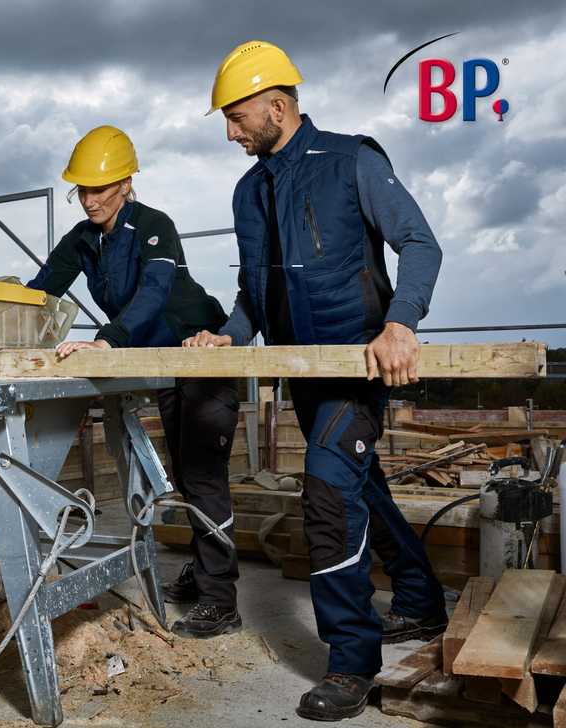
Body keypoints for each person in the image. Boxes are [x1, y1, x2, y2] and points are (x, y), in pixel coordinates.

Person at [190, 41, 448, 720]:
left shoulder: (353, 160)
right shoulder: (249, 191)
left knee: (329, 496)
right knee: (362, 483)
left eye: (239, 117)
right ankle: (421, 604)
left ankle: (349, 662)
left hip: (357, 364)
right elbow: (254, 293)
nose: (230, 132)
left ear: (278, 106)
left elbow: (420, 243)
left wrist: (400, 324)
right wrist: (230, 334)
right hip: (298, 371)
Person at [26, 126, 242, 639]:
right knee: (186, 475)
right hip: (160, 361)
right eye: (82, 189)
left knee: (204, 476)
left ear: (126, 182)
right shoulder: (82, 239)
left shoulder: (153, 225)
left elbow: (152, 292)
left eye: (100, 187)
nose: (90, 198)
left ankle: (222, 599)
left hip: (201, 354)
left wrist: (107, 342)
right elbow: (41, 293)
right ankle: (206, 566)